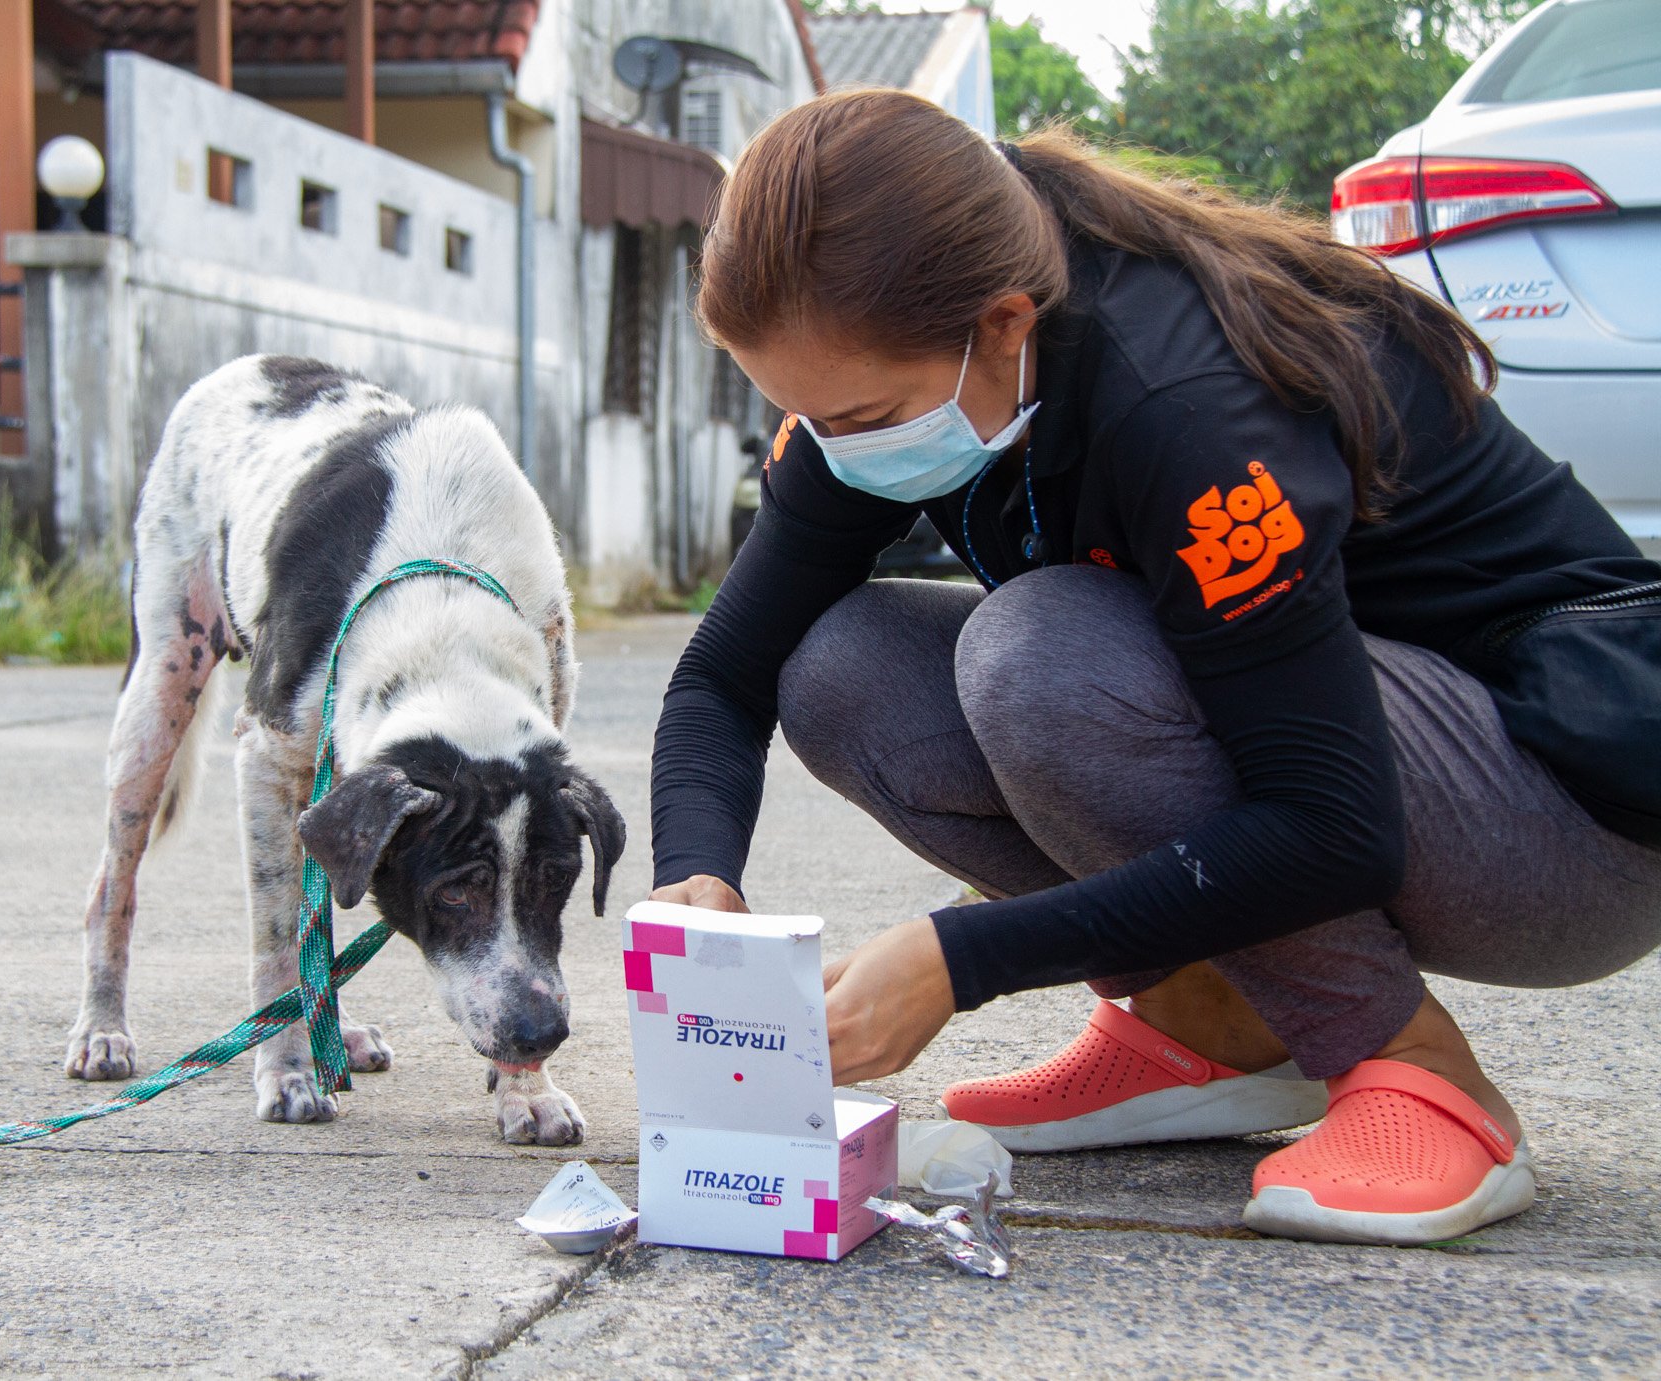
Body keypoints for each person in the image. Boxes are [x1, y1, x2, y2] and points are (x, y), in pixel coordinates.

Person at [646, 89, 1661, 1248]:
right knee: (839, 665)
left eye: (862, 414)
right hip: (1373, 780)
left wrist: (957, 956)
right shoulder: (888, 361)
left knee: (1041, 654)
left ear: (1003, 321)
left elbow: (1335, 826)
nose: (831, 447)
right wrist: (696, 880)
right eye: (801, 415)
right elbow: (723, 676)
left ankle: (1416, 1072)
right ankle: (1212, 1020)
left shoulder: (1181, 403)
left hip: (1559, 828)